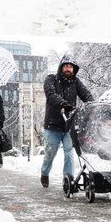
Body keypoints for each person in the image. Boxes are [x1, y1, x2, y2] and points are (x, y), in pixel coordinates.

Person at [40, 57, 94, 188]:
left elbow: (86, 94)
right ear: (61, 67)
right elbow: (51, 94)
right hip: (53, 125)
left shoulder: (76, 82)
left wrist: (92, 104)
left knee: (69, 152)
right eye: (66, 66)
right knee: (50, 153)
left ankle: (67, 180)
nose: (68, 68)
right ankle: (45, 172)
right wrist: (64, 104)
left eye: (71, 66)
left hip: (69, 124)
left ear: (73, 69)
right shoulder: (51, 79)